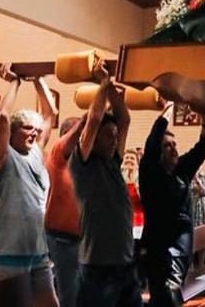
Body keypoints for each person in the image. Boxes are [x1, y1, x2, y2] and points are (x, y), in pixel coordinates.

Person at [0, 65, 58, 307]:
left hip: (36, 249)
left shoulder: (35, 151)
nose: (34, 133)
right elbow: (2, 117)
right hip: (5, 252)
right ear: (12, 132)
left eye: (36, 129)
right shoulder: (1, 155)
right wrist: (15, 82)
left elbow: (51, 114)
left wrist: (37, 79)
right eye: (27, 128)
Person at [69, 59, 140, 307]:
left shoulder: (113, 161)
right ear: (94, 138)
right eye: (109, 136)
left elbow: (125, 118)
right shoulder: (83, 163)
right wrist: (102, 81)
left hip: (125, 262)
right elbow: (95, 118)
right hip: (97, 266)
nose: (115, 141)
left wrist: (109, 85)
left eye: (116, 136)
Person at [139, 102, 205, 306]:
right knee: (166, 292)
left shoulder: (181, 170)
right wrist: (169, 109)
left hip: (181, 246)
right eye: (167, 145)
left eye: (174, 144)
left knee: (167, 294)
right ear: (158, 152)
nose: (173, 149)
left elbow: (204, 147)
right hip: (160, 249)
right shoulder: (150, 173)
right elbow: (152, 144)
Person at [44, 116, 85, 307]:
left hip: (84, 238)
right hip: (63, 238)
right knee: (70, 293)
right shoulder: (58, 156)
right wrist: (89, 119)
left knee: (83, 292)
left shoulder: (82, 162)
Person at [122, 148, 144, 227]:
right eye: (126, 158)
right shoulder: (117, 178)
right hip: (121, 223)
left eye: (132, 158)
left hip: (139, 224)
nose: (129, 160)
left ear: (137, 165)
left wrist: (134, 183)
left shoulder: (142, 180)